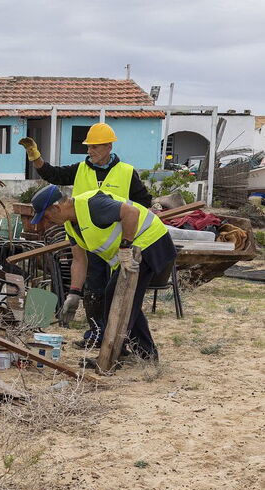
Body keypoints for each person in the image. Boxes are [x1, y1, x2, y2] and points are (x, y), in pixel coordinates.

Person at [19, 123, 154, 348]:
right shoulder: (81, 169)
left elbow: (143, 205)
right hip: (88, 236)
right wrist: (35, 157)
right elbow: (53, 174)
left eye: (96, 147)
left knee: (117, 292)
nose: (90, 151)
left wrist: (129, 238)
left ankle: (120, 338)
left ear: (109, 146)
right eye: (89, 147)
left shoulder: (127, 173)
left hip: (118, 241)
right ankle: (96, 333)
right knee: (93, 289)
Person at [28, 184, 175, 362]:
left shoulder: (92, 204)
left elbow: (131, 213)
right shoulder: (71, 225)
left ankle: (113, 355)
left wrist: (125, 247)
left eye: (46, 217)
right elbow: (79, 260)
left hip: (150, 241)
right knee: (125, 300)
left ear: (56, 208)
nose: (46, 222)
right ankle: (145, 355)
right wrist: (74, 293)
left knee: (117, 297)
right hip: (131, 253)